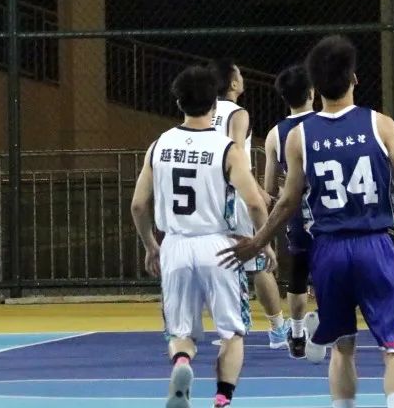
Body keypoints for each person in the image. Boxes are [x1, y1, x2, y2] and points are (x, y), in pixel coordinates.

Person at [219, 35, 394, 408]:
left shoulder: (299, 136)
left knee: (342, 346)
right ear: (354, 78)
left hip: (329, 251)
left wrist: (259, 240)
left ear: (316, 87)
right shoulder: (379, 124)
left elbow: (287, 202)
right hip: (374, 245)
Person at [131, 65, 276, 408]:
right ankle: (222, 399)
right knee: (232, 332)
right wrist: (263, 242)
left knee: (180, 332)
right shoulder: (226, 148)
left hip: (175, 245)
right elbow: (255, 203)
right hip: (219, 246)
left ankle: (182, 361)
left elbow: (138, 205)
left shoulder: (159, 145)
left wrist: (151, 245)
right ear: (214, 103)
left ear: (178, 103)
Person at [209, 58, 288, 349]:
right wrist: (255, 190)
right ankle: (278, 328)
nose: (242, 77)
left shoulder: (204, 111)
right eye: (239, 74)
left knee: (224, 262)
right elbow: (237, 154)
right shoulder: (237, 113)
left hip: (210, 196)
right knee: (259, 261)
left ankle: (230, 328)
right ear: (232, 83)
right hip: (236, 195)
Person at [261, 64, 317, 359]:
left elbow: (269, 187)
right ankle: (332, 328)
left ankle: (296, 332)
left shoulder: (276, 134)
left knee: (298, 273)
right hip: (331, 210)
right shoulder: (327, 124)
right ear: (312, 93)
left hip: (296, 210)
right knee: (331, 271)